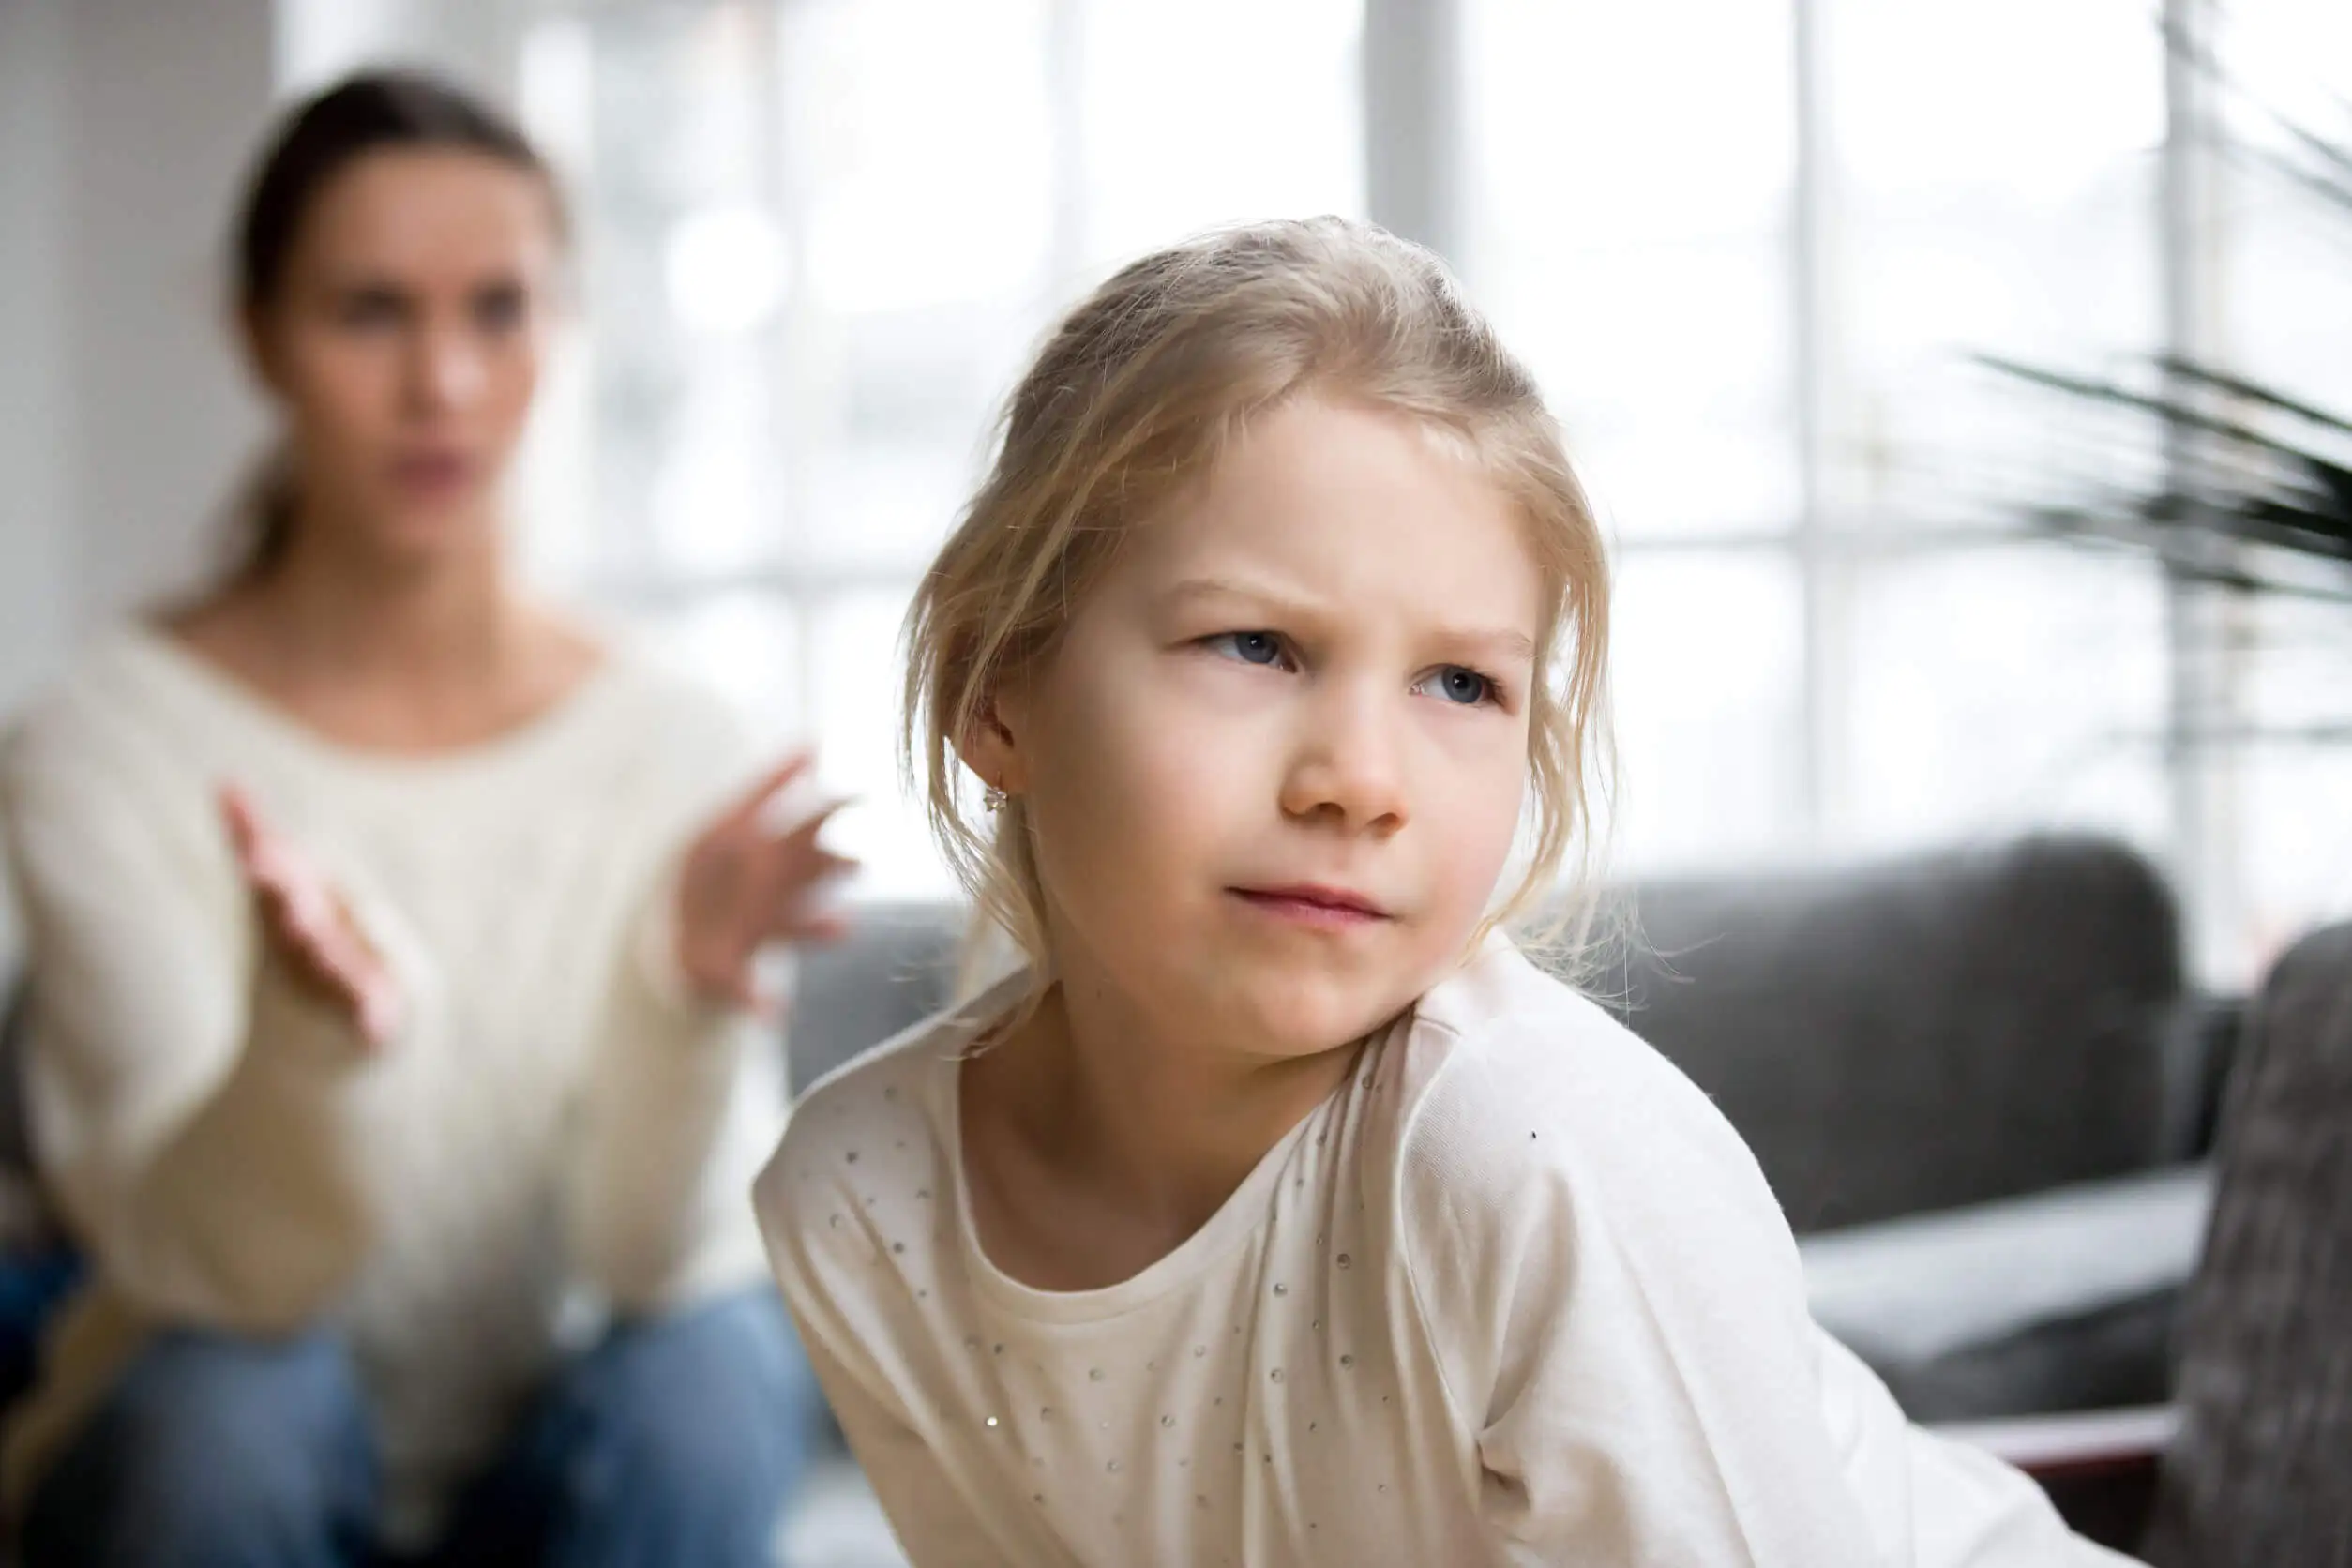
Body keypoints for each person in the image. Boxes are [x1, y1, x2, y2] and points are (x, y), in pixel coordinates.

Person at [754, 218, 2136, 1565]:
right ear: (995, 683)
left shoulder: (1536, 1156)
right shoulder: (860, 1196)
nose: (1361, 779)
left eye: (1462, 684)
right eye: (1255, 644)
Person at [0, 69, 847, 1567]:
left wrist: (690, 1007)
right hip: (208, 1458)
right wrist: (309, 1045)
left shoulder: (680, 745)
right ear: (257, 332)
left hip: (554, 1464)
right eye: (370, 311)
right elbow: (204, 1274)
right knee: (226, 1410)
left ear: (561, 328)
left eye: (499, 311)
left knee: (716, 1374)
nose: (443, 384)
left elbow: (651, 1263)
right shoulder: (105, 744)